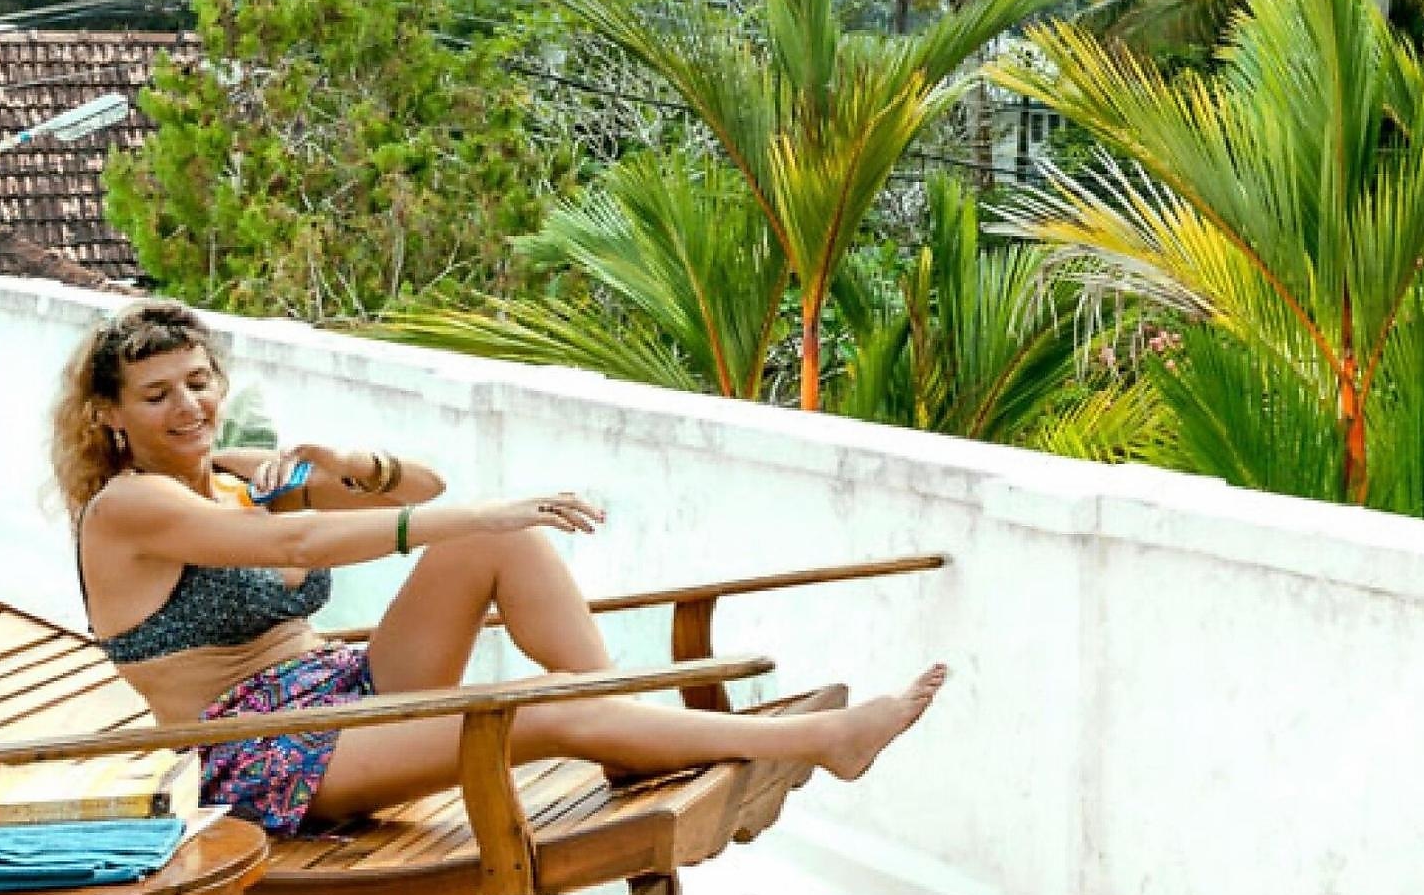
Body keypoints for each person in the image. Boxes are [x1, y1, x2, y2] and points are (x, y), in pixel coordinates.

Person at [56, 300, 945, 836]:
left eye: (199, 381)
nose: (190, 405)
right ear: (110, 416)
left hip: (340, 689)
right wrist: (485, 510)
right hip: (256, 754)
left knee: (500, 545)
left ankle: (619, 732)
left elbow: (424, 487)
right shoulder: (130, 507)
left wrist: (358, 464)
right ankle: (820, 741)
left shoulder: (234, 473)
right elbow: (301, 546)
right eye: (158, 394)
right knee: (531, 703)